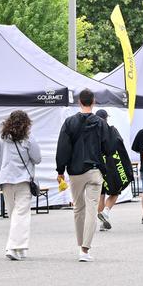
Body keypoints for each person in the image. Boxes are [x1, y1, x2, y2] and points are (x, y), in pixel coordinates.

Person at [56, 88, 113, 262]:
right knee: (92, 209)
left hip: (75, 171)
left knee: (78, 208)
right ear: (93, 102)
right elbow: (109, 147)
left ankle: (80, 244)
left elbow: (63, 147)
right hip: (94, 170)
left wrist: (60, 170)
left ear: (79, 102)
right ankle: (85, 250)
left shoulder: (69, 122)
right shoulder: (101, 123)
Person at [0, 110, 41, 260]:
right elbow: (37, 159)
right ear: (27, 123)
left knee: (14, 214)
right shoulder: (29, 138)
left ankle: (20, 248)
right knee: (22, 214)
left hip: (5, 181)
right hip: (23, 180)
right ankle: (13, 247)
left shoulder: (2, 139)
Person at [94, 109, 131, 231]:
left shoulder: (92, 132)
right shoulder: (112, 130)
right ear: (106, 119)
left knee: (101, 194)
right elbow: (119, 144)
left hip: (98, 167)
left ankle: (102, 223)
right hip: (111, 166)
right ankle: (105, 212)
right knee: (115, 192)